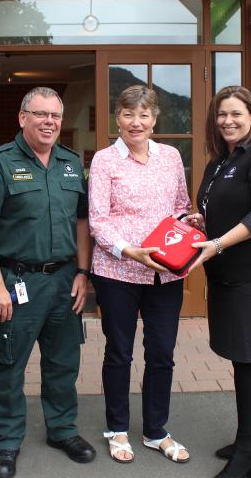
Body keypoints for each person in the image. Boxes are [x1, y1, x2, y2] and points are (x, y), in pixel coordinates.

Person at [0, 87, 96, 478]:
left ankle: (62, 430)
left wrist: (83, 271)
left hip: (64, 280)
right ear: (22, 118)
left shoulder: (70, 163)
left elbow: (81, 221)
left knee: (63, 363)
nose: (49, 122)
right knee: (9, 364)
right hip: (17, 281)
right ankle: (7, 442)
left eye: (55, 116)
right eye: (40, 114)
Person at [187, 85, 251, 478]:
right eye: (220, 115)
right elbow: (224, 209)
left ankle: (247, 452)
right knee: (239, 355)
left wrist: (215, 243)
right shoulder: (219, 162)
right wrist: (204, 222)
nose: (227, 121)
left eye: (235, 113)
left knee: (250, 359)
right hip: (227, 274)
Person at [88, 85, 192, 465]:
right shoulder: (104, 161)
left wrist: (188, 223)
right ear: (118, 117)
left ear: (155, 118)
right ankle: (117, 428)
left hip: (165, 273)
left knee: (162, 353)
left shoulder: (171, 157)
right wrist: (130, 251)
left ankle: (155, 431)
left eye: (144, 115)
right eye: (129, 114)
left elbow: (180, 206)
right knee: (119, 352)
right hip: (117, 271)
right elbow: (98, 220)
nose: (137, 122)